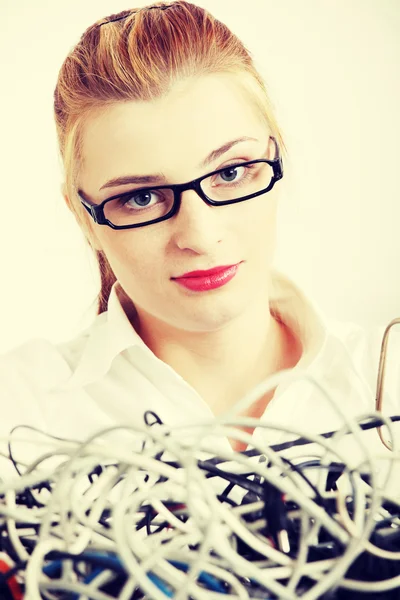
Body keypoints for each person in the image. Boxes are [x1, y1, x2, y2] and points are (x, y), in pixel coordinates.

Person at [0, 1, 398, 472]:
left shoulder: (388, 374)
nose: (200, 236)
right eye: (141, 197)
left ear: (276, 159)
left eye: (230, 172)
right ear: (85, 218)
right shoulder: (19, 410)